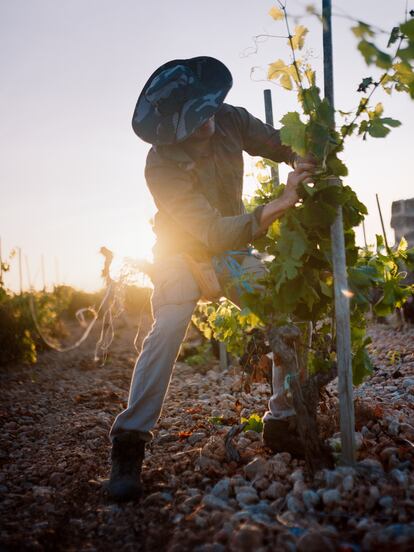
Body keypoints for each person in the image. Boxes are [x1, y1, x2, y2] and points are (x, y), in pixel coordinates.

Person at [106, 56, 316, 501]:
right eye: (194, 123)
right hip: (181, 251)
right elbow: (210, 231)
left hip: (233, 252)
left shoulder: (229, 119)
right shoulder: (159, 166)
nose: (206, 126)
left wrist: (305, 155)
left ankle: (280, 421)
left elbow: (278, 143)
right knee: (168, 326)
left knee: (284, 311)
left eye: (206, 114)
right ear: (172, 131)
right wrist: (277, 206)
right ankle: (128, 442)